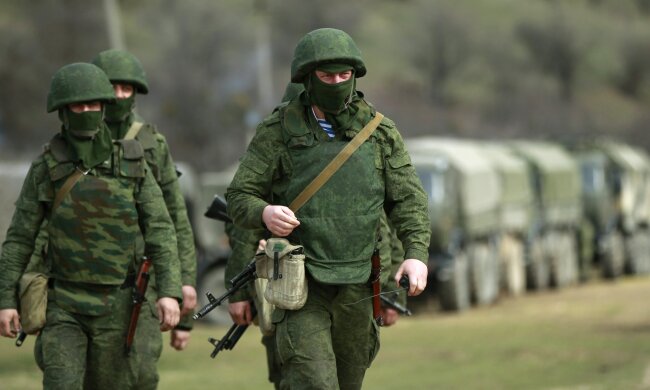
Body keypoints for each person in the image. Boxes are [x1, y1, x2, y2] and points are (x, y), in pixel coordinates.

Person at [226, 28, 430, 389]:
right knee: (315, 383)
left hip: (359, 286)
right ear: (307, 77)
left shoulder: (380, 133)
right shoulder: (277, 132)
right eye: (326, 75)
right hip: (299, 285)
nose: (336, 82)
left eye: (343, 75)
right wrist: (264, 213)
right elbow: (240, 195)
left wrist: (415, 254)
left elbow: (408, 200)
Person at [0, 62, 182, 389]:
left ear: (103, 108)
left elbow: (161, 231)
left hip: (121, 304)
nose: (86, 111)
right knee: (62, 382)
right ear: (63, 111)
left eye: (94, 104)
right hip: (62, 306)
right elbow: (19, 239)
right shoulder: (47, 167)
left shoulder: (131, 162)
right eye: (78, 105)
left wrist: (169, 292)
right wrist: (5, 300)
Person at [90, 49, 198, 388]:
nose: (119, 96)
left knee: (141, 372)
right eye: (112, 87)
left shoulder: (152, 144)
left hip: (143, 276)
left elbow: (175, 218)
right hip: (85, 274)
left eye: (126, 88)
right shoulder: (74, 142)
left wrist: (185, 294)